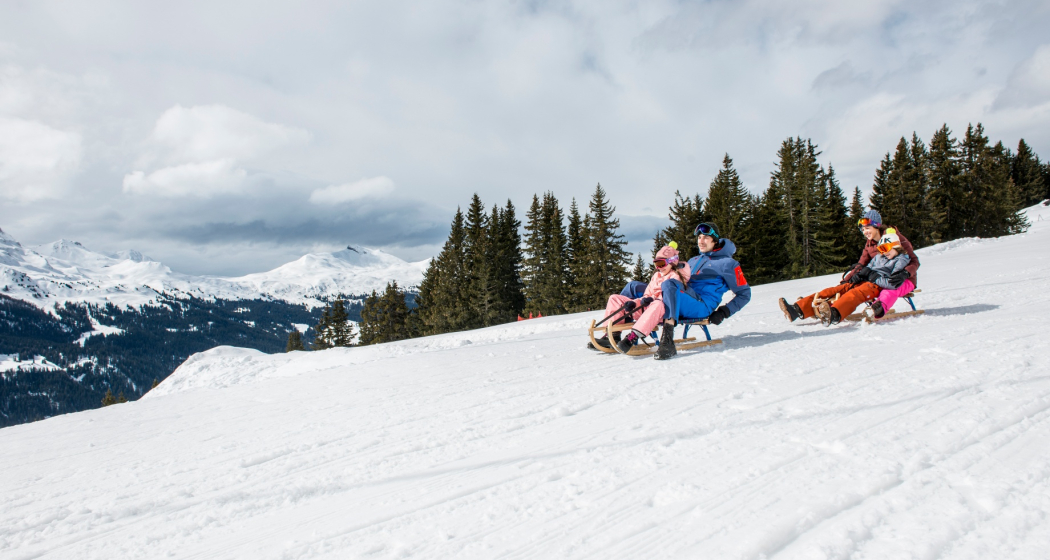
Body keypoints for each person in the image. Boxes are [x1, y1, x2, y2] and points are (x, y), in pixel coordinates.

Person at [618, 222, 751, 359]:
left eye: (705, 237)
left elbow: (744, 294)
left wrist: (724, 312)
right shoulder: (694, 260)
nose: (701, 241)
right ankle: (616, 330)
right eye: (699, 237)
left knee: (669, 284)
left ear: (715, 240)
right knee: (633, 286)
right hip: (679, 298)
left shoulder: (728, 264)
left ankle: (668, 340)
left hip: (701, 305)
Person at [779, 209, 921, 324]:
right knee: (837, 289)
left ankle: (835, 312)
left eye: (868, 228)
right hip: (871, 278)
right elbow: (861, 264)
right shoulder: (870, 244)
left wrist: (905, 274)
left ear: (877, 226)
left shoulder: (895, 239)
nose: (865, 232)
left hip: (895, 279)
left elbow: (914, 260)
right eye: (863, 230)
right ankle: (797, 309)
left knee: (856, 292)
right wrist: (848, 280)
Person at [592, 242, 691, 353]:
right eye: (656, 264)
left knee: (657, 304)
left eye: (661, 264)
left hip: (661, 312)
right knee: (615, 298)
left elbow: (668, 297)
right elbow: (647, 294)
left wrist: (652, 300)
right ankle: (613, 335)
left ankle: (633, 336)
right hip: (647, 307)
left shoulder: (675, 277)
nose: (659, 267)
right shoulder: (656, 275)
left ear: (671, 262)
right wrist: (635, 303)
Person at [811, 228, 911, 325]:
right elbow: (868, 268)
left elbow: (891, 283)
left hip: (879, 284)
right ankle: (824, 308)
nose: (883, 252)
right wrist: (860, 275)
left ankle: (836, 313)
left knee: (856, 294)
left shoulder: (900, 260)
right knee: (845, 288)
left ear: (896, 246)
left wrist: (873, 277)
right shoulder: (881, 256)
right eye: (881, 249)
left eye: (885, 248)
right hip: (871, 282)